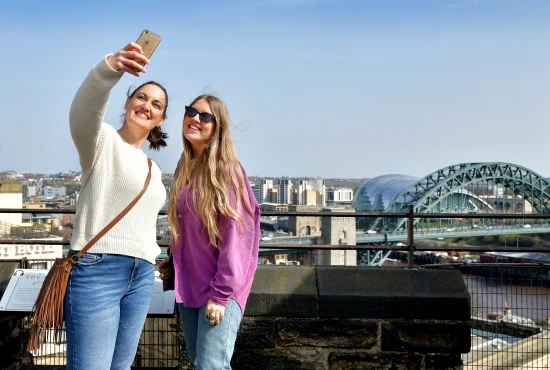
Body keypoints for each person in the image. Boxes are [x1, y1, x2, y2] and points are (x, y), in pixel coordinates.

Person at [65, 42, 168, 369]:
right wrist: (110, 68)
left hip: (141, 275)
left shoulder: (154, 169)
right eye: (141, 96)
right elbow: (83, 110)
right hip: (97, 269)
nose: (147, 105)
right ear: (126, 102)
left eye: (156, 104)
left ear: (160, 119)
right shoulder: (102, 141)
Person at [160, 95, 260, 369]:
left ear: (218, 128)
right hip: (191, 284)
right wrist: (173, 259)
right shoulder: (186, 167)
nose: (195, 119)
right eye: (191, 112)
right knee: (200, 362)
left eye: (205, 116)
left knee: (212, 365)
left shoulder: (227, 171)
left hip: (218, 289)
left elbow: (236, 238)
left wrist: (220, 295)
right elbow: (190, 227)